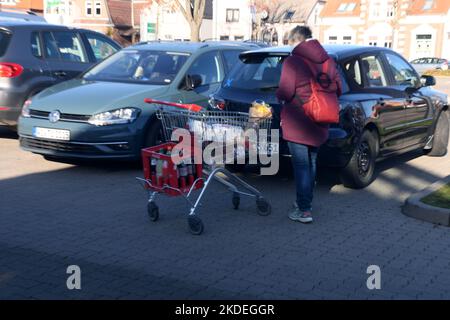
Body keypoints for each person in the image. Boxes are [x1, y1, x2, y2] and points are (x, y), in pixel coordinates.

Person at [276, 26, 342, 224]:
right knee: (311, 162)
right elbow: (338, 88)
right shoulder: (328, 60)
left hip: (299, 121)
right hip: (321, 119)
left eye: (290, 43)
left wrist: (279, 96)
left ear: (296, 40)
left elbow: (286, 91)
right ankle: (306, 202)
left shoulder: (293, 61)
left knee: (302, 166)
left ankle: (304, 209)